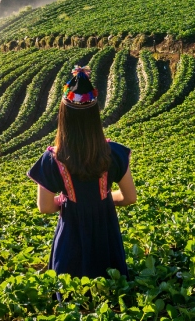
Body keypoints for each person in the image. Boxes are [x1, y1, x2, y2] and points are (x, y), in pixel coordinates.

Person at [27, 65, 137, 279]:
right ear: (95, 115)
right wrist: (102, 198)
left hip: (71, 239)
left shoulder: (52, 159)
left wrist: (66, 200)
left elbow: (45, 207)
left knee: (70, 293)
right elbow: (129, 197)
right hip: (106, 239)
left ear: (63, 116)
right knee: (112, 290)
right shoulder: (113, 153)